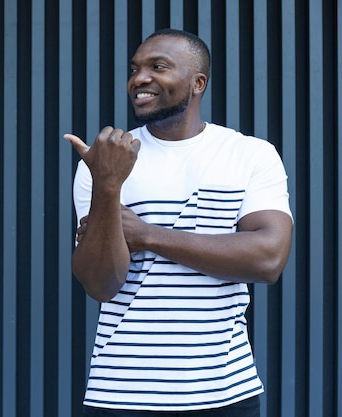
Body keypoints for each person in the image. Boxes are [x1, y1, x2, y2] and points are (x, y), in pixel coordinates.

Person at [64, 28, 293, 416]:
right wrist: (107, 185)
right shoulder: (107, 163)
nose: (139, 78)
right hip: (120, 393)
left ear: (197, 82)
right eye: (135, 69)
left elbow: (267, 259)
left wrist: (147, 235)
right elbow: (102, 284)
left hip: (225, 393)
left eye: (159, 67)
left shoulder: (249, 154)